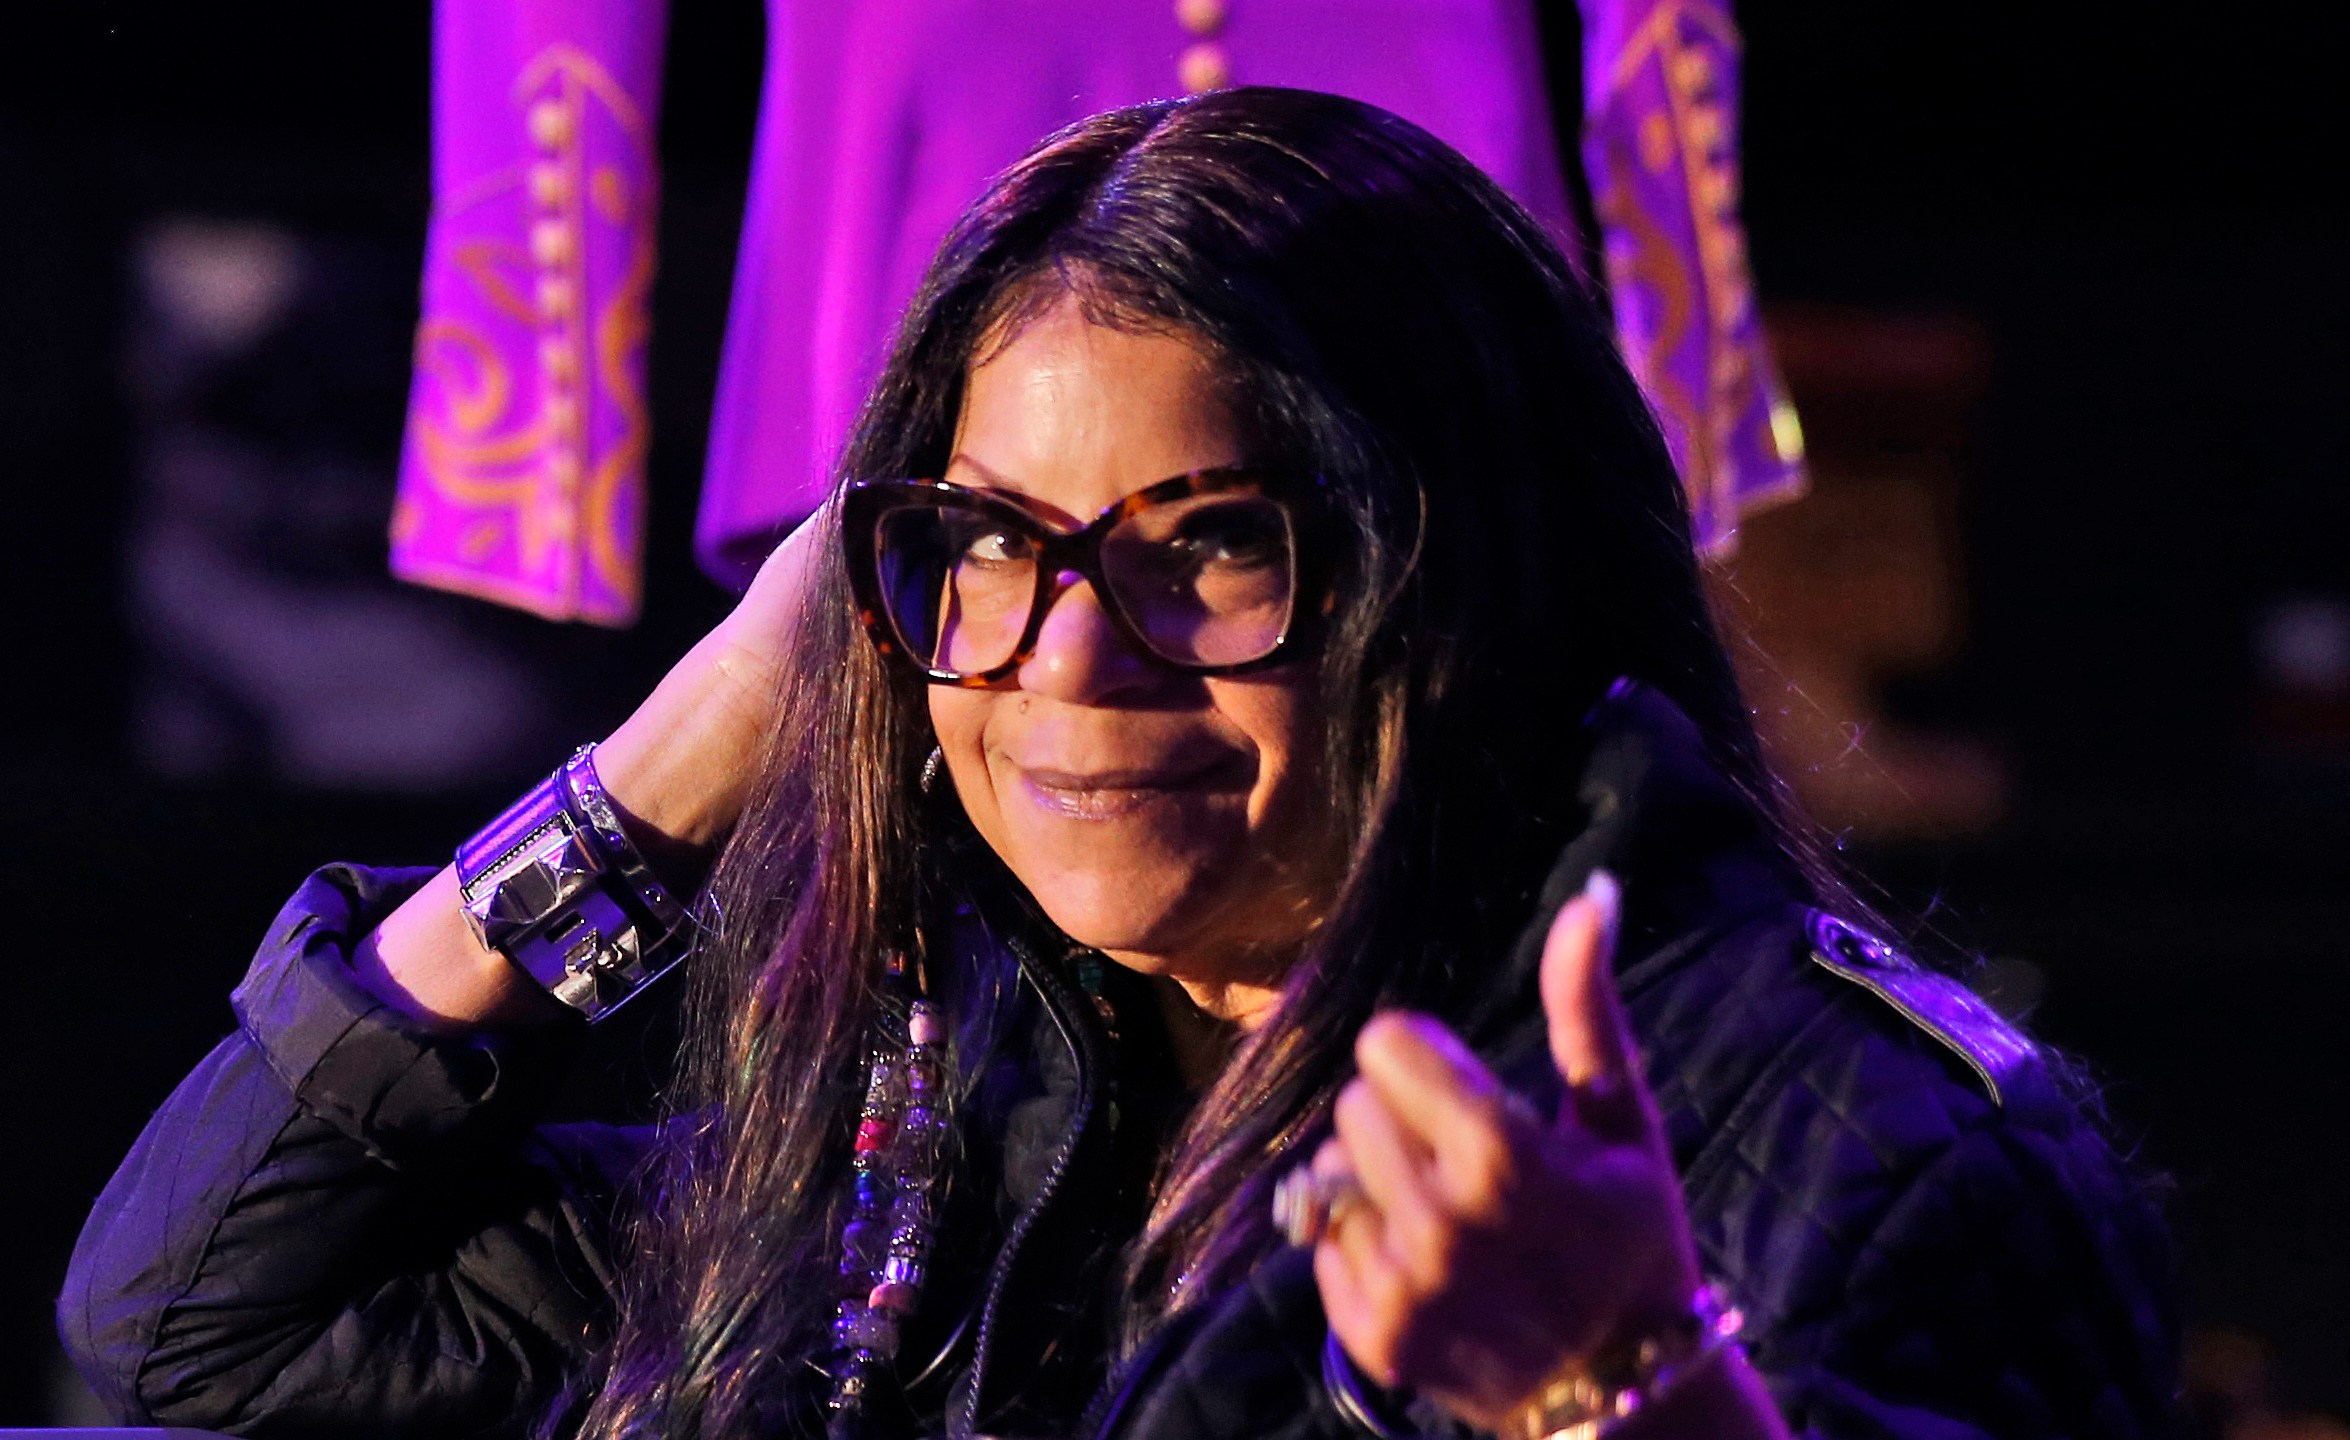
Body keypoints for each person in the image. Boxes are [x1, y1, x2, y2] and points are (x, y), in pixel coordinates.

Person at [62, 88, 2172, 1440]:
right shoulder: (938, 1120)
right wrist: (672, 762)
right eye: (981, 547)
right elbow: (185, 1327)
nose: (1071, 661)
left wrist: (1615, 1398)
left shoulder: (1847, 1142)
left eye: (1213, 550)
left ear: (1461, 577)